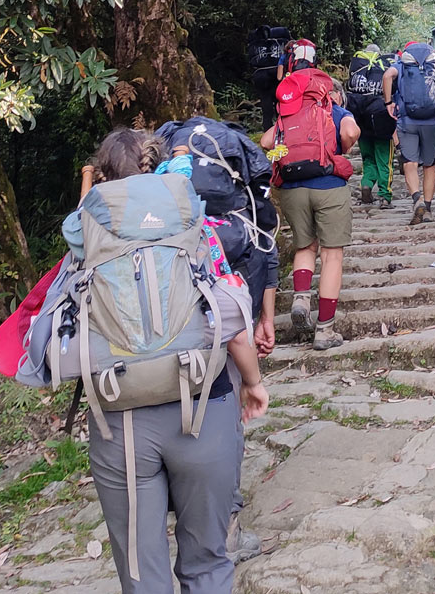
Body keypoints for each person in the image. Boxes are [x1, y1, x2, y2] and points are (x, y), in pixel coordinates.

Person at [70, 129, 268, 594]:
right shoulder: (193, 222)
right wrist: (252, 381)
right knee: (207, 562)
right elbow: (232, 318)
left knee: (143, 575)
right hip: (203, 405)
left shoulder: (84, 233)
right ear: (159, 166)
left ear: (101, 176)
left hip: (119, 418)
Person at [261, 68, 360, 350]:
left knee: (305, 247)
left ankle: (301, 299)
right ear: (328, 91)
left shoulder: (288, 114)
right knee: (331, 256)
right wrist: (341, 147)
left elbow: (267, 141)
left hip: (292, 188)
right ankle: (325, 330)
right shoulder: (334, 109)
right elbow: (352, 132)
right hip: (329, 185)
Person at [383, 42, 435, 225]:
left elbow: (386, 76)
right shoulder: (432, 66)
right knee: (429, 165)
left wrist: (388, 102)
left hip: (407, 120)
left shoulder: (400, 65)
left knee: (410, 163)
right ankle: (428, 209)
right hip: (430, 121)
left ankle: (417, 199)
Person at [346, 44, 397, 209]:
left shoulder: (357, 68)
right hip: (381, 118)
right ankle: (384, 196)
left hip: (360, 119)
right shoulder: (383, 67)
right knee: (384, 160)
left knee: (368, 158)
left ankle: (366, 184)